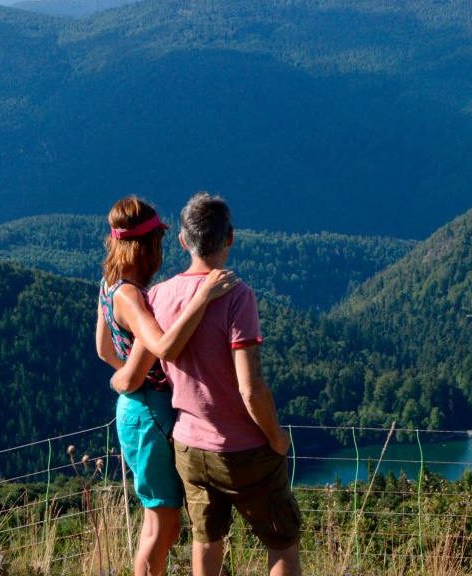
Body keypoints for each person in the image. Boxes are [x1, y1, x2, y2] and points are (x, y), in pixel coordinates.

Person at [114, 192, 302, 576]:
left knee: (206, 541)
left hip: (190, 448)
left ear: (183, 241)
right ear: (230, 238)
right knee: (282, 542)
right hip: (245, 447)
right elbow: (250, 388)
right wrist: (276, 437)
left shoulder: (159, 296)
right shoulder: (238, 296)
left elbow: (135, 357)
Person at [95, 195, 239, 576]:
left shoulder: (109, 286)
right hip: (151, 412)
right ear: (148, 246)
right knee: (163, 525)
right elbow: (163, 346)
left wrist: (125, 374)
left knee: (159, 519)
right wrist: (203, 296)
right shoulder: (132, 296)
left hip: (137, 409)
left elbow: (103, 348)